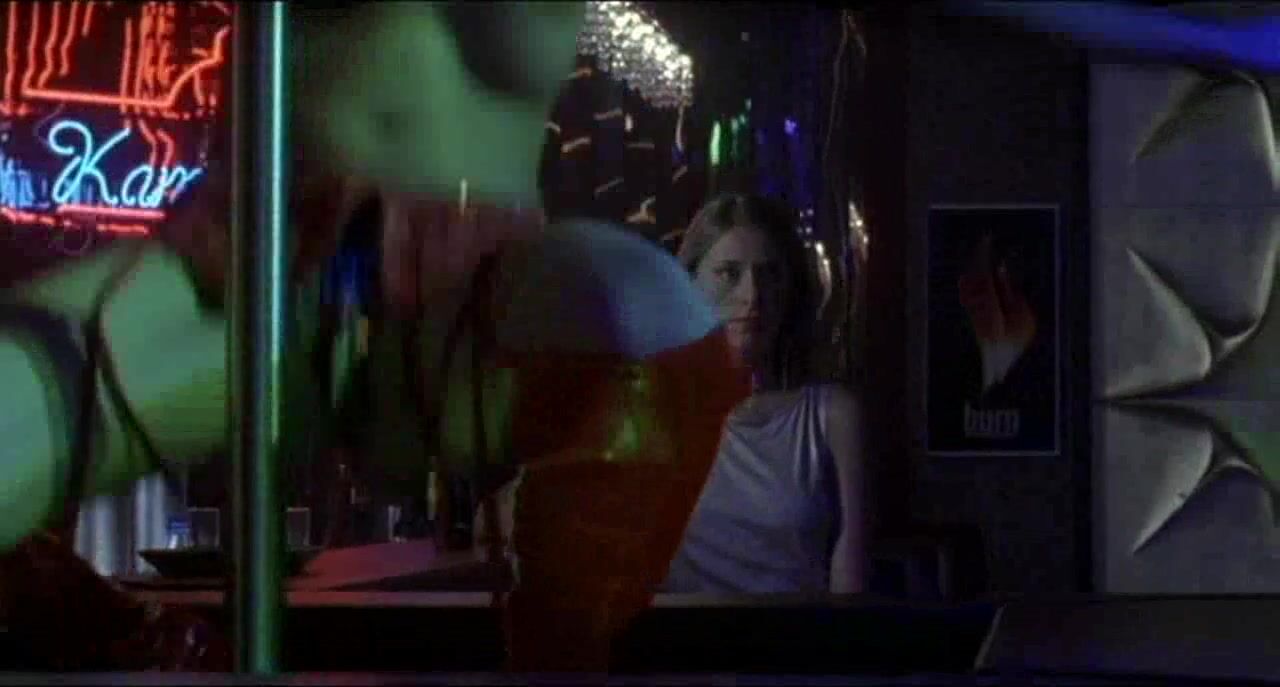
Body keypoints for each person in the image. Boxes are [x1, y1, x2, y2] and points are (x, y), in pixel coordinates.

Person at [0, 3, 748, 672]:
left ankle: (557, 655)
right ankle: (104, 623)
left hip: (479, 307)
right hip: (259, 278)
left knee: (643, 315)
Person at [663, 193, 868, 595]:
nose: (753, 295)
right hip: (678, 632)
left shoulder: (832, 417)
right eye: (729, 273)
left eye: (770, 274)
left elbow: (850, 589)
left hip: (796, 633)